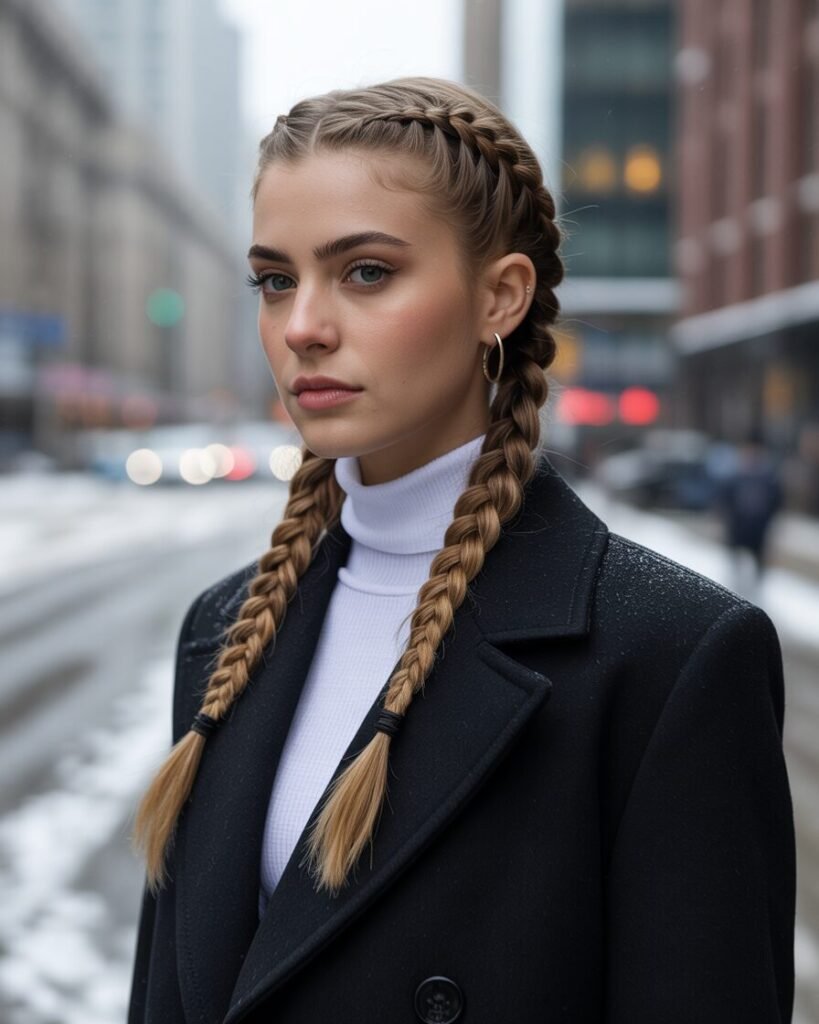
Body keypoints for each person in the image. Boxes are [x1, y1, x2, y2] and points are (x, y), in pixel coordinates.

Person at [128, 78, 795, 1023]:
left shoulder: (670, 655)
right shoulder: (227, 631)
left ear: (501, 297)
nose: (302, 327)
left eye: (365, 272)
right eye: (276, 279)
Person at [717, 433, 784, 596]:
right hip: (738, 526)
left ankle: (755, 593)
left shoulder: (769, 477)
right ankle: (735, 592)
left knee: (757, 564)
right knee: (736, 564)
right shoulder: (736, 475)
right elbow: (726, 499)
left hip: (759, 528)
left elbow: (776, 502)